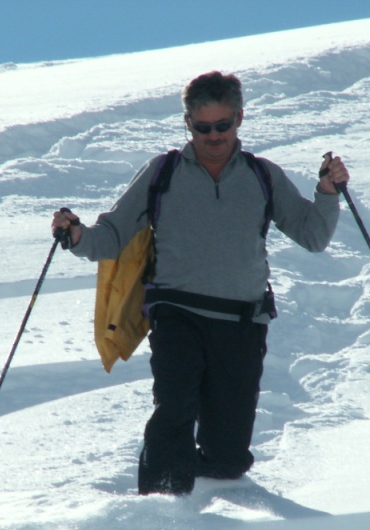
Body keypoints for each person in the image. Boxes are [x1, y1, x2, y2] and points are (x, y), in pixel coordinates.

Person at [52, 71, 349, 496]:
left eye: (222, 125)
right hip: (177, 312)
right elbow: (113, 234)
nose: (213, 136)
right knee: (174, 408)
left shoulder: (262, 176)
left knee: (227, 456)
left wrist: (327, 192)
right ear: (187, 123)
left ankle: (209, 503)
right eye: (202, 127)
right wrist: (78, 236)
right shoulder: (163, 172)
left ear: (239, 118)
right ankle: (161, 505)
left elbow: (313, 236)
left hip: (242, 322)